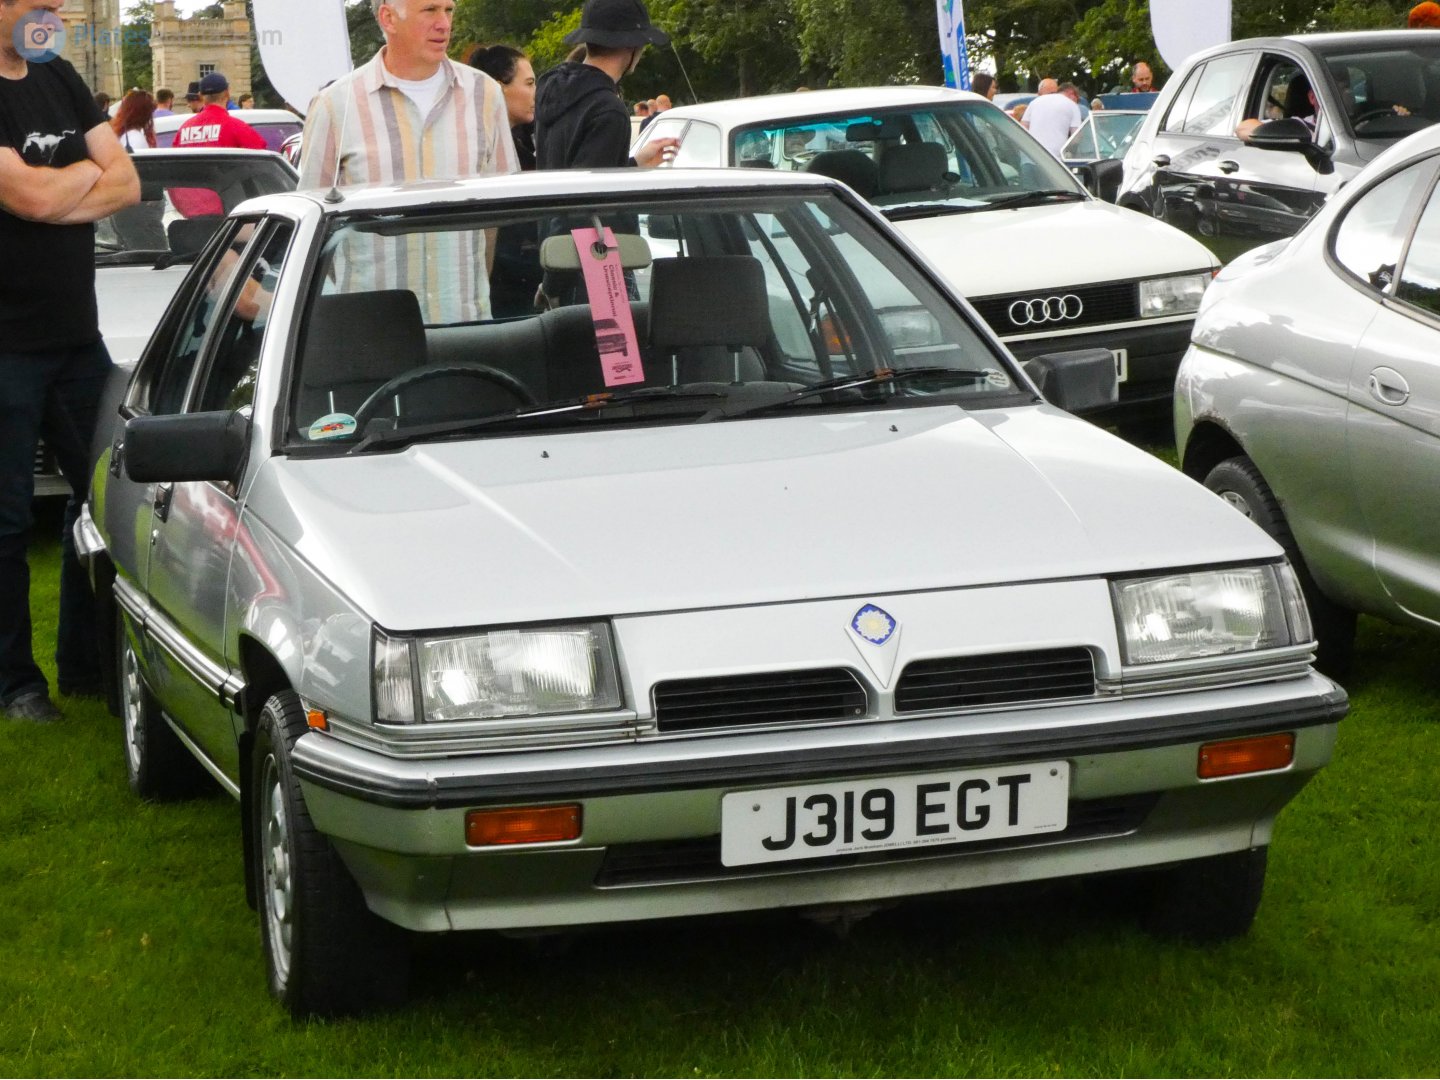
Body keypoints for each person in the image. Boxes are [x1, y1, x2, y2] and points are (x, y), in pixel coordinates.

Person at [0, 0, 141, 722]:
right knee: (6, 523)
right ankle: (17, 687)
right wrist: (86, 172)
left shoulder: (59, 77)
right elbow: (21, 195)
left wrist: (57, 188)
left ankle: (87, 669)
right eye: (38, 4)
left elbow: (129, 183)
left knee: (108, 500)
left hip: (76, 340)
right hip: (7, 346)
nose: (51, 13)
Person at [298, 0, 519, 322]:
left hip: (465, 326)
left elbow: (495, 213)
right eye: (430, 11)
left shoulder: (484, 94)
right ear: (388, 17)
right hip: (372, 332)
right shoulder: (336, 106)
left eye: (449, 10)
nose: (444, 23)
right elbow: (314, 222)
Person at [533, 0, 678, 173]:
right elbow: (595, 193)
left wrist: (635, 164)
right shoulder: (608, 110)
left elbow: (574, 176)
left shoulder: (551, 88)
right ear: (632, 46)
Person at [466, 43, 541, 316]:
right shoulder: (477, 148)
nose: (535, 93)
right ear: (498, 89)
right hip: (499, 286)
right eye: (529, 83)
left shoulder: (526, 141)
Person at [175, 73, 265, 148]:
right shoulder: (238, 128)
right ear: (227, 93)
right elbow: (261, 158)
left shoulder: (184, 130)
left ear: (200, 95)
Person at [1022, 80, 1082, 156]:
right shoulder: (1072, 105)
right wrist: (1068, 152)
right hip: (1055, 159)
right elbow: (1076, 137)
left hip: (1032, 155)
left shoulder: (1034, 102)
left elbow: (1023, 127)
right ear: (1070, 93)